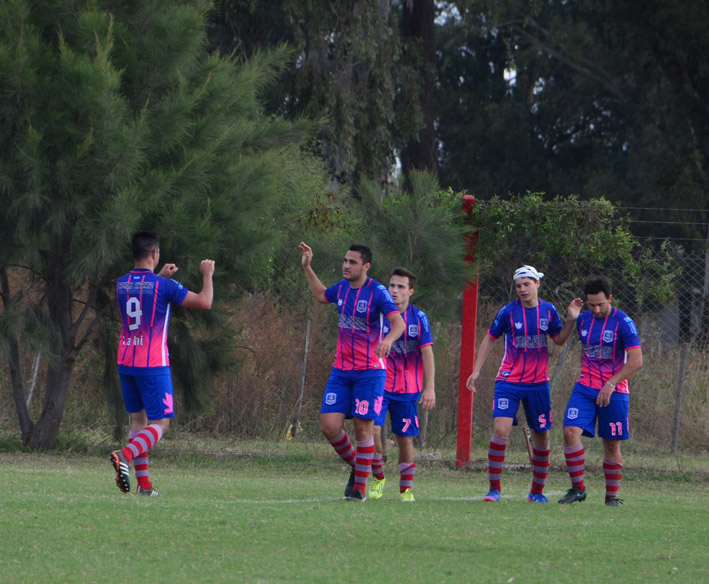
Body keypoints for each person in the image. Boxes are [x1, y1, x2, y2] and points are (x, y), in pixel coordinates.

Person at [466, 265, 582, 503]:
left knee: (542, 436)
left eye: (527, 284)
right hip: (509, 380)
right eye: (518, 285)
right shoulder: (508, 312)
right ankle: (494, 490)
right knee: (500, 430)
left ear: (537, 284)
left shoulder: (548, 311)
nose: (522, 289)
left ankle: (536, 492)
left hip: (538, 384)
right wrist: (476, 370)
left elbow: (559, 340)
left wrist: (570, 320)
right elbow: (490, 339)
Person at [111, 231, 215, 496]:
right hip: (152, 363)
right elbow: (205, 302)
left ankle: (144, 487)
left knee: (138, 423)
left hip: (126, 359)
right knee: (161, 423)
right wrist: (207, 274)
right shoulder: (164, 286)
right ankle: (124, 454)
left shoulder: (121, 283)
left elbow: (145, 293)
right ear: (155, 254)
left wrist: (161, 276)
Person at [300, 241, 405, 502]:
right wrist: (307, 267)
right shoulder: (343, 288)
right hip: (341, 371)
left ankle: (359, 490)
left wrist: (389, 339)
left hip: (370, 372)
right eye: (345, 260)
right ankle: (363, 467)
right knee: (329, 427)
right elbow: (321, 295)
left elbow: (398, 323)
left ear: (366, 266)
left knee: (362, 430)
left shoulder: (378, 292)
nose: (346, 265)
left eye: (353, 262)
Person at [558, 276, 643, 506]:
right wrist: (570, 319)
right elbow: (562, 342)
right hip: (585, 388)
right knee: (569, 432)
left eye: (600, 304)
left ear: (610, 299)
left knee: (611, 444)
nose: (596, 309)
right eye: (591, 304)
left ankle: (611, 497)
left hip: (614, 391)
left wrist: (611, 383)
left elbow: (636, 362)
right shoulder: (583, 320)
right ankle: (578, 488)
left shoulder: (624, 322)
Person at [369, 267, 436, 503]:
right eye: (392, 286)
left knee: (404, 439)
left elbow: (427, 353)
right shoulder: (379, 314)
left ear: (410, 291)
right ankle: (378, 477)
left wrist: (430, 387)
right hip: (379, 384)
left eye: (400, 287)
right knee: (372, 431)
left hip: (408, 389)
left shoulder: (420, 319)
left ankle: (405, 489)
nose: (394, 291)